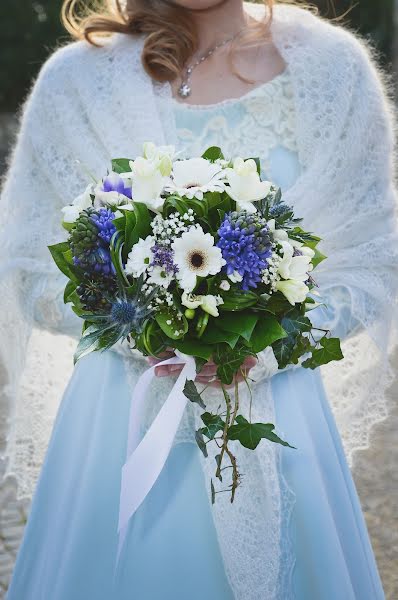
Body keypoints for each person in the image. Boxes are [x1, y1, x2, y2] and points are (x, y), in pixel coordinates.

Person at [1, 1, 397, 598]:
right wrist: (148, 326)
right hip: (121, 416)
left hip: (273, 405)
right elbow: (30, 266)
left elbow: (373, 256)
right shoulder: (74, 82)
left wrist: (264, 346)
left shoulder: (331, 71)